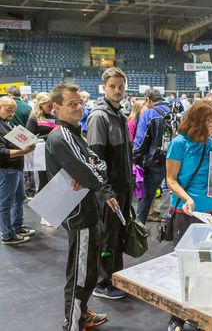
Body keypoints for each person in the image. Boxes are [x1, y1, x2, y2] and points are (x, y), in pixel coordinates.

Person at [45, 83, 117, 331]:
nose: (78, 107)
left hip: (87, 210)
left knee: (87, 268)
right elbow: (91, 174)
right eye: (71, 104)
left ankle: (81, 313)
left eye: (79, 103)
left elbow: (99, 164)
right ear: (57, 107)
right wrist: (89, 170)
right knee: (81, 272)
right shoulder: (61, 136)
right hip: (79, 214)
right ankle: (73, 323)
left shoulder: (75, 133)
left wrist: (90, 168)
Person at [86, 67, 132, 300]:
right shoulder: (99, 117)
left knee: (118, 235)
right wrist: (105, 192)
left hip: (123, 188)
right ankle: (102, 283)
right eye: (112, 86)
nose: (117, 90)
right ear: (104, 87)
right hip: (110, 191)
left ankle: (115, 277)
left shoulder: (120, 116)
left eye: (121, 86)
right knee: (108, 236)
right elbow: (95, 159)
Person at [166, 100, 212, 244]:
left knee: (207, 257)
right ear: (198, 122)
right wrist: (187, 199)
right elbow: (171, 180)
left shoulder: (209, 142)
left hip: (210, 210)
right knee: (186, 257)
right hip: (186, 210)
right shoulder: (179, 143)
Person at [0, 96, 36, 245]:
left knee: (20, 198)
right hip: (6, 169)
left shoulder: (5, 123)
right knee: (6, 203)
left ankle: (17, 227)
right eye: (9, 110)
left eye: (13, 111)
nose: (12, 114)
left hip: (15, 168)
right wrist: (24, 150)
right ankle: (7, 234)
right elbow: (1, 152)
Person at [133, 88, 171, 224]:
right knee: (171, 194)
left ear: (148, 99)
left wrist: (136, 160)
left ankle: (138, 230)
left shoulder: (149, 114)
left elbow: (140, 141)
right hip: (174, 162)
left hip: (154, 162)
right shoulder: (173, 111)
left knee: (146, 196)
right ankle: (170, 228)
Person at [26, 92, 56, 191]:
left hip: (54, 153)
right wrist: (49, 136)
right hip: (41, 154)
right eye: (49, 106)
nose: (51, 108)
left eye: (52, 105)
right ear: (41, 104)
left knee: (53, 180)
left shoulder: (53, 117)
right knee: (44, 181)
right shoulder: (34, 118)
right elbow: (30, 138)